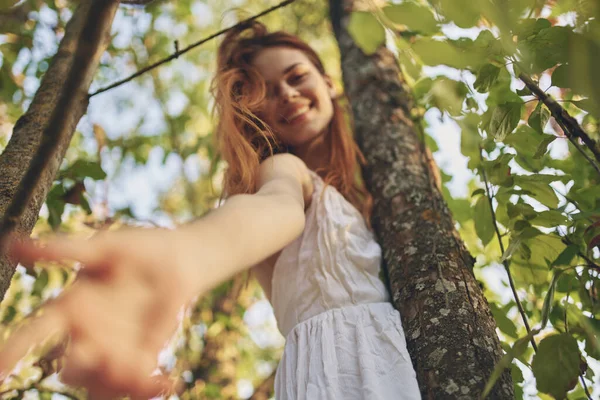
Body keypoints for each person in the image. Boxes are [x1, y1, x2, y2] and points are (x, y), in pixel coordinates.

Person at [0, 21, 421, 400]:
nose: (288, 95)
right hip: (341, 373)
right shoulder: (283, 171)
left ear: (329, 83)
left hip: (395, 360)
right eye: (267, 93)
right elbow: (273, 210)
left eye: (297, 78)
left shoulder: (371, 190)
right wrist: (182, 255)